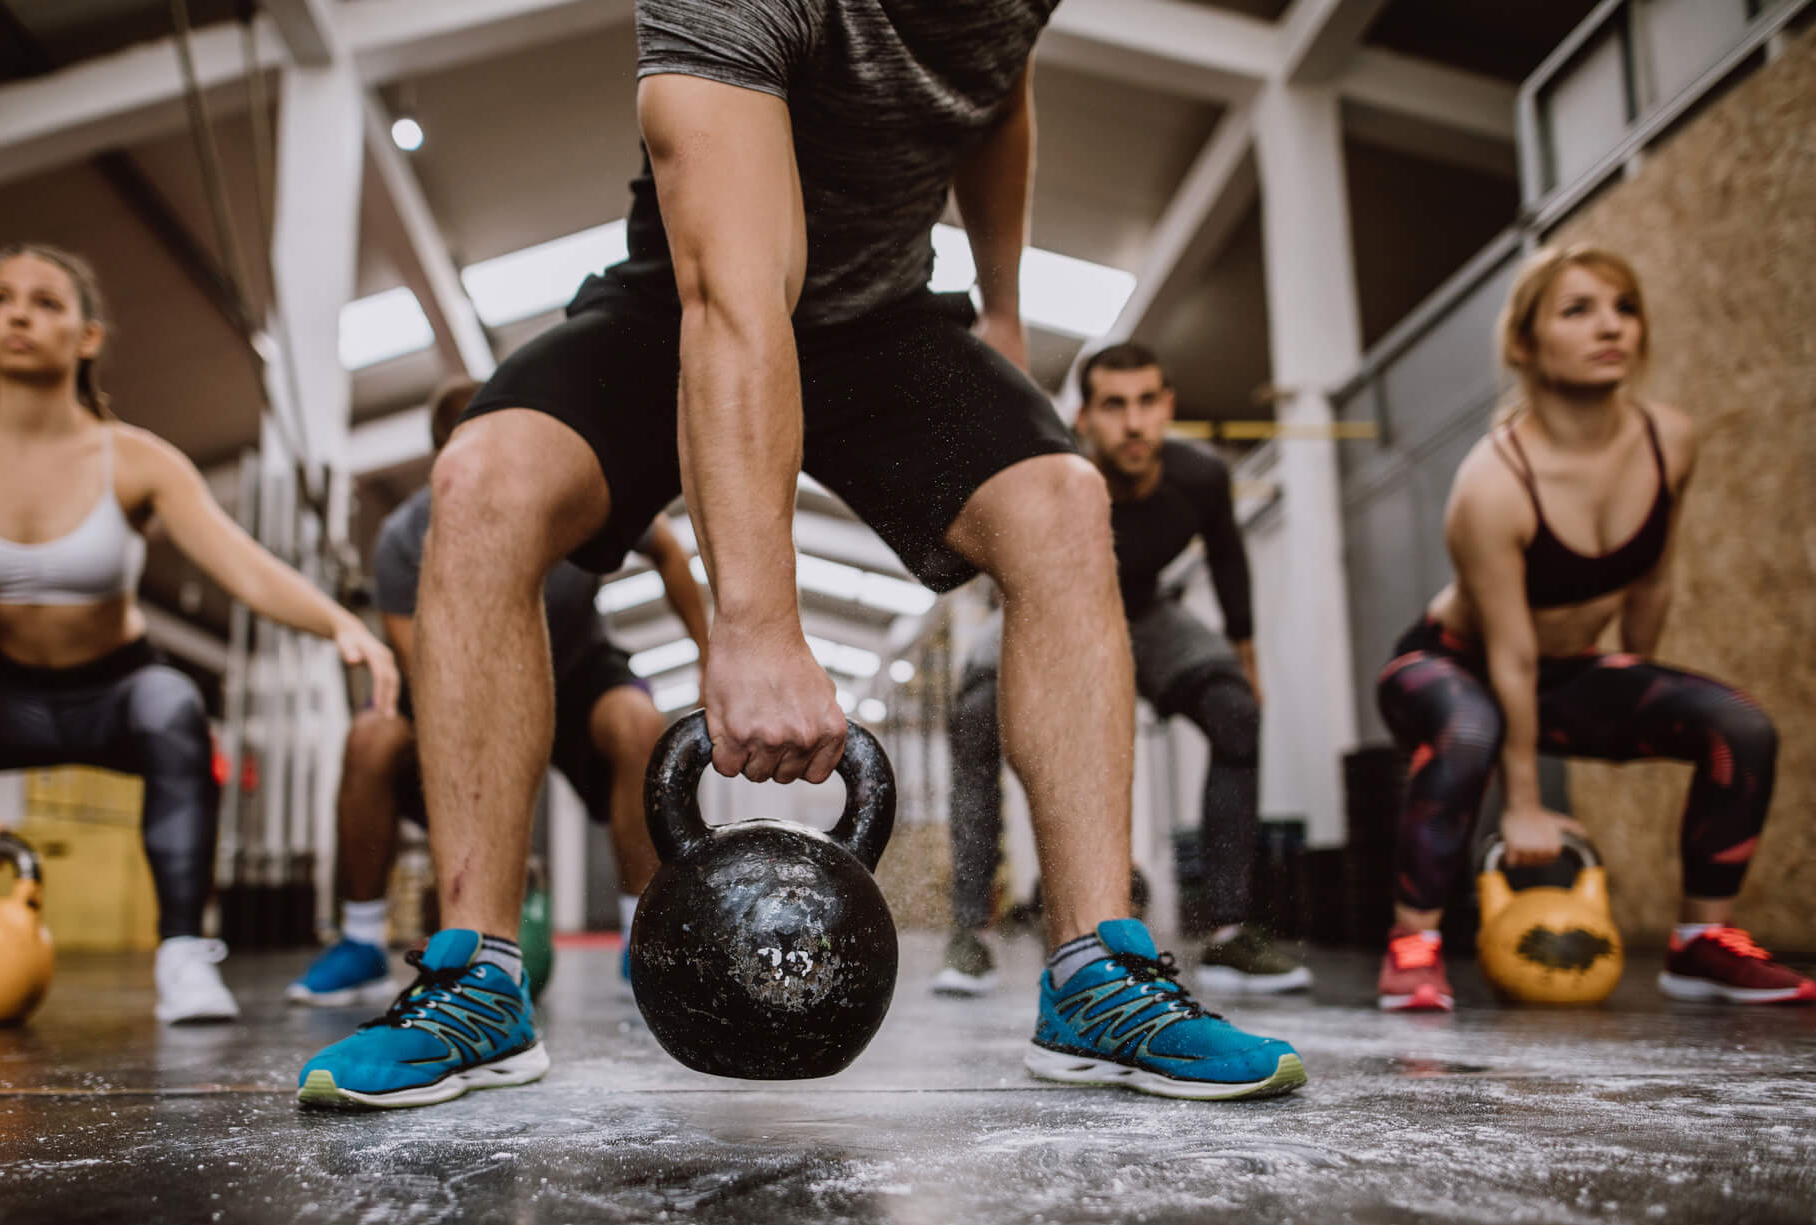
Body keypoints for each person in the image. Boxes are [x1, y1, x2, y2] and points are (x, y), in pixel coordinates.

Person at [295, 0, 1305, 1110]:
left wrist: (1006, 306)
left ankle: (1093, 973)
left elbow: (997, 83)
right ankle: (477, 974)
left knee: (1061, 500)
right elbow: (733, 304)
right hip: (688, 303)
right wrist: (757, 626)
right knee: (481, 483)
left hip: (888, 320)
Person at [0, 244, 397, 1029]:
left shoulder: (137, 460)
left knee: (175, 706)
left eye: (47, 302)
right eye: (2, 299)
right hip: (1, 693)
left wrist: (340, 623)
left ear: (87, 336)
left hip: (117, 694)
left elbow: (243, 567)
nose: (19, 314)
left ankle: (184, 955)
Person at [1374, 244, 1804, 1011]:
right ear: (1525, 343)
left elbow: (1654, 575)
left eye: (1624, 308)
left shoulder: (1668, 439)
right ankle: (1413, 944)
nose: (1611, 328)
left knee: (1738, 727)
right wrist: (1523, 802)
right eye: (1578, 311)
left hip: (1563, 667)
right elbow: (1508, 655)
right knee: (1470, 731)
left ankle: (1701, 943)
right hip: (1450, 665)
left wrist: (1633, 685)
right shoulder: (1493, 481)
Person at [285, 378, 710, 1006]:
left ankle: (640, 937)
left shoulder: (577, 489)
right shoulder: (407, 536)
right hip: (460, 678)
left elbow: (669, 551)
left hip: (577, 667)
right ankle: (360, 941)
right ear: (444, 460)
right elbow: (420, 663)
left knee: (638, 725)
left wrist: (710, 649)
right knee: (371, 738)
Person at [939, 344, 1309, 998]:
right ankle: (972, 932)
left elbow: (1228, 563)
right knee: (972, 712)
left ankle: (1227, 933)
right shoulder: (1052, 473)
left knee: (1234, 714)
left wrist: (1244, 665)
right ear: (1084, 416)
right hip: (1052, 607)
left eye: (1146, 403)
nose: (1133, 423)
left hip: (1144, 611)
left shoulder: (1199, 477)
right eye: (1114, 406)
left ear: (1166, 406)